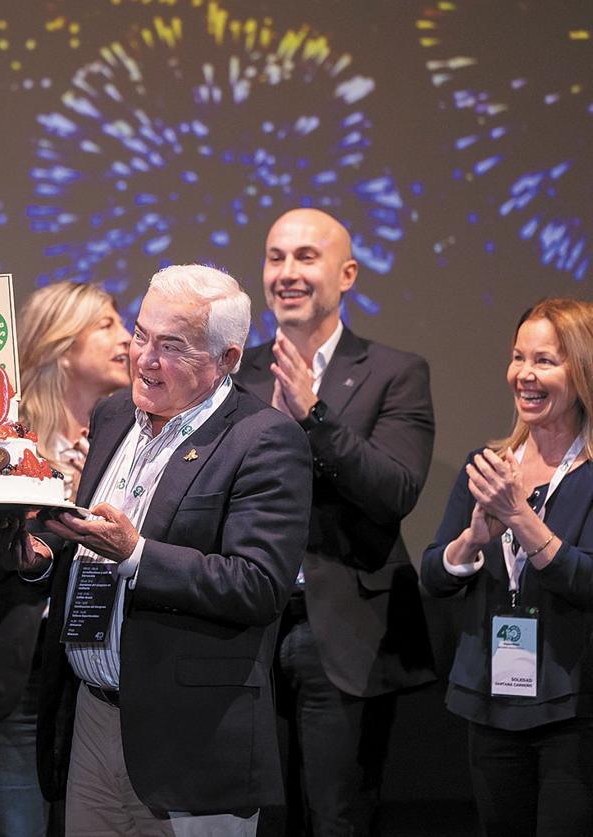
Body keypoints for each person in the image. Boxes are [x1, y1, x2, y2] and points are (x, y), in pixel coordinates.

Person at [30, 264, 313, 836]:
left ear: (228, 359)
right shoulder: (112, 415)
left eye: (172, 346)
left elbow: (257, 585)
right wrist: (40, 559)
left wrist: (136, 554)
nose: (144, 359)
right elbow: (86, 554)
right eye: (140, 335)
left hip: (192, 739)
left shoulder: (264, 439)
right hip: (92, 719)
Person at [235, 208, 436, 836]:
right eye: (275, 257)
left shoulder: (395, 372)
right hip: (247, 627)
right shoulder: (235, 372)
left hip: (343, 632)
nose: (286, 273)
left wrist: (314, 415)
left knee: (337, 816)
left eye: (305, 257)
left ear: (346, 274)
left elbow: (393, 489)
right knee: (258, 816)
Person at [0, 281, 131, 836]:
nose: (127, 339)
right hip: (14, 680)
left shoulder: (141, 438)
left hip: (104, 675)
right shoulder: (1, 434)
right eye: (106, 325)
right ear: (62, 345)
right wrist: (30, 550)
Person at [421, 298, 593, 837]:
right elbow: (433, 574)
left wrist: (521, 517)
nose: (525, 374)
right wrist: (472, 539)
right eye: (519, 357)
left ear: (583, 370)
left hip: (575, 707)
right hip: (492, 701)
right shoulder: (490, 465)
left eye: (545, 360)